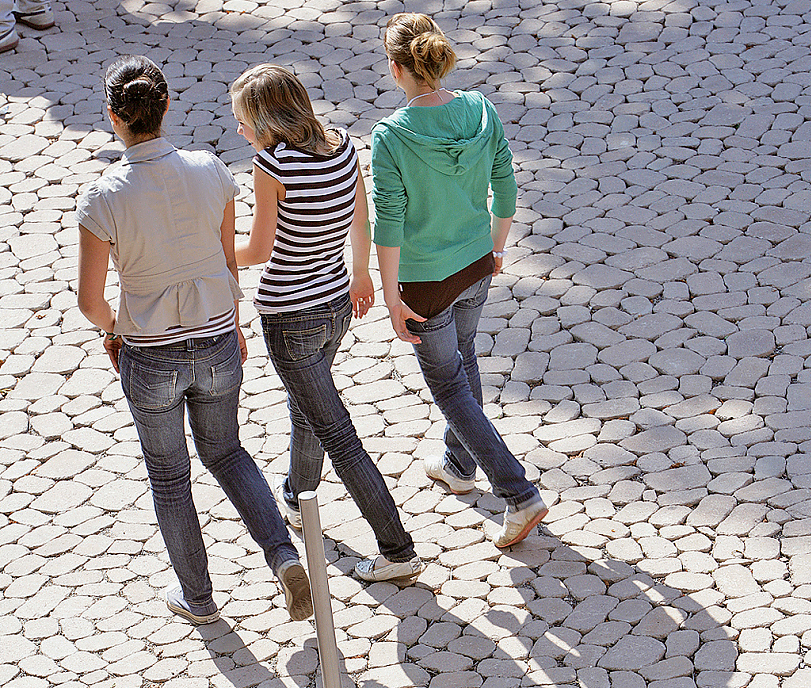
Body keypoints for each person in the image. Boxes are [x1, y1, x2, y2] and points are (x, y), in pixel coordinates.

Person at [76, 55, 313, 625]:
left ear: (114, 116)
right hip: (215, 341)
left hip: (149, 354)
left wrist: (116, 331)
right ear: (166, 106)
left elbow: (89, 301)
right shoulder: (211, 170)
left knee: (169, 477)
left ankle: (200, 600)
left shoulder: (102, 197)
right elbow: (228, 266)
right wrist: (231, 327)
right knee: (228, 452)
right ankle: (282, 555)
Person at [229, 64, 422, 584]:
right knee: (309, 404)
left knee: (338, 432)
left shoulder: (271, 166)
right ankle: (297, 493)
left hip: (290, 314)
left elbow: (260, 248)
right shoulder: (342, 147)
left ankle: (396, 549)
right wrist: (362, 275)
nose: (240, 131)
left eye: (244, 121)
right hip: (337, 301)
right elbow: (361, 216)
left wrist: (211, 249)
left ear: (269, 119)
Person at [372, 13, 548, 548]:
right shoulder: (480, 109)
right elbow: (506, 185)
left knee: (448, 383)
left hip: (426, 283)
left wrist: (390, 294)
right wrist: (495, 248)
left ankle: (518, 493)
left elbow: (390, 219)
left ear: (398, 68)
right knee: (464, 358)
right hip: (476, 264)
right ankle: (457, 462)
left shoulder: (390, 136)